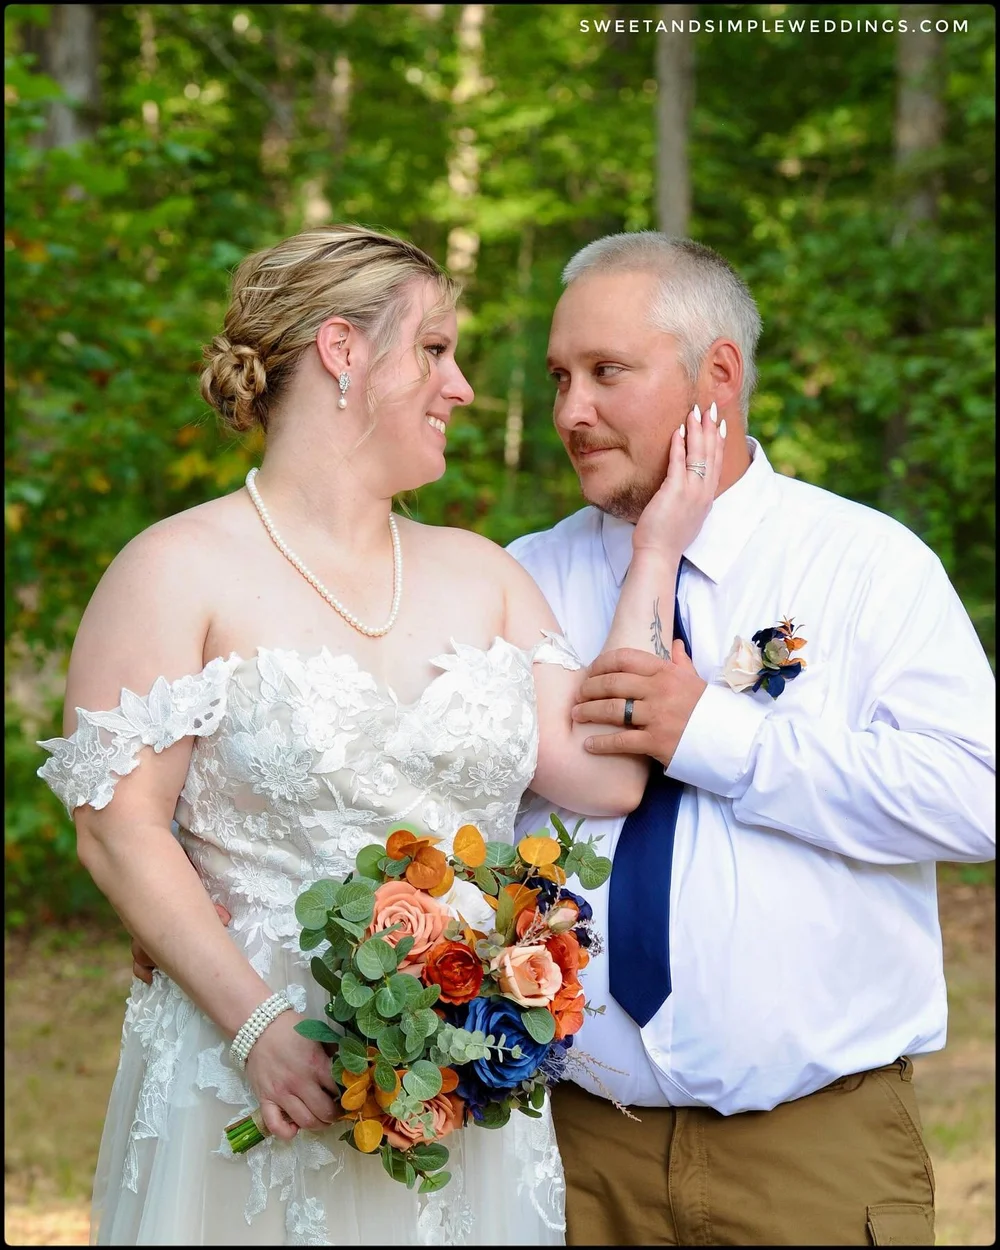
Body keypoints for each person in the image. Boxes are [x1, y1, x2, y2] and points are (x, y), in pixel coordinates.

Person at [36, 224, 726, 1247]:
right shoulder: (174, 567)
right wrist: (259, 1025)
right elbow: (117, 826)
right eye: (434, 350)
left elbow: (605, 780)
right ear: (342, 351)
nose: (462, 388)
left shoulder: (482, 571)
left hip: (458, 1088)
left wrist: (656, 553)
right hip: (252, 1072)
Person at [506, 231, 996, 1247]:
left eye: (606, 373)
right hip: (563, 1152)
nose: (569, 412)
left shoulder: (866, 564)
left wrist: (714, 734)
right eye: (558, 377)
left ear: (715, 375)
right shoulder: (522, 578)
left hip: (814, 1159)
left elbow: (976, 795)